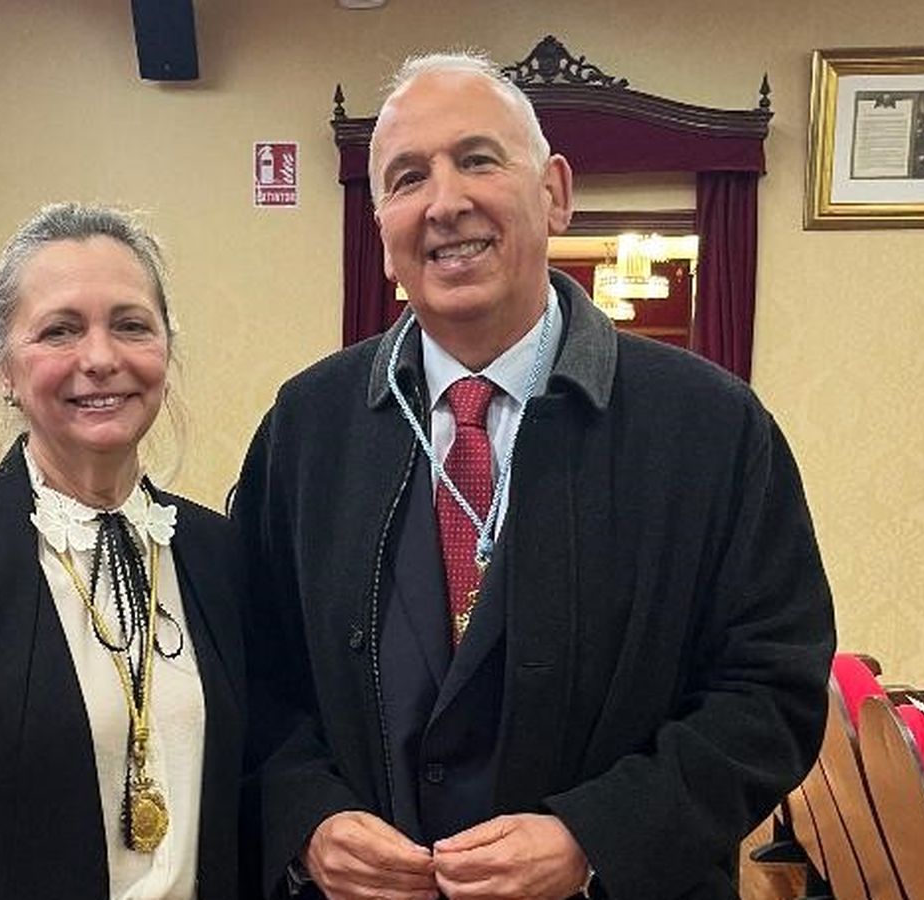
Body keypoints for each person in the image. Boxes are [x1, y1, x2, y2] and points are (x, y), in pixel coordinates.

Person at [234, 51, 835, 900]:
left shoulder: (711, 427)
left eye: (478, 160)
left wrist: (599, 835)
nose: (446, 202)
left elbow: (772, 688)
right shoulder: (307, 426)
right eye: (408, 178)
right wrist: (306, 817)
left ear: (555, 190)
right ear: (382, 228)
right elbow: (252, 674)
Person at [0, 203, 245, 899]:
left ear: (164, 351)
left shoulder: (220, 554)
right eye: (60, 330)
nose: (100, 359)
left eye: (131, 325)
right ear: (5, 368)